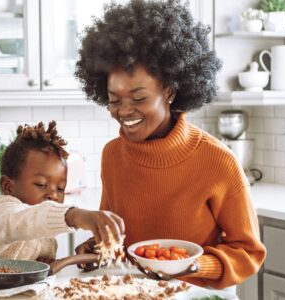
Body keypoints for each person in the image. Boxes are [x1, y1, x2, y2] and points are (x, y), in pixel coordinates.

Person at [73, 0, 266, 289]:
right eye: (114, 99)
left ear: (170, 91)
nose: (124, 111)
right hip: (132, 293)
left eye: (138, 99)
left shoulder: (217, 161)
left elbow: (248, 252)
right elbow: (116, 238)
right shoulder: (113, 155)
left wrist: (191, 265)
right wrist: (96, 249)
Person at [0, 121, 124, 262]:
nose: (54, 195)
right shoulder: (3, 212)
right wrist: (75, 215)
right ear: (8, 186)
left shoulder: (46, 235)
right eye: (41, 184)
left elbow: (35, 262)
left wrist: (46, 262)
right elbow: (26, 221)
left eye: (60, 189)